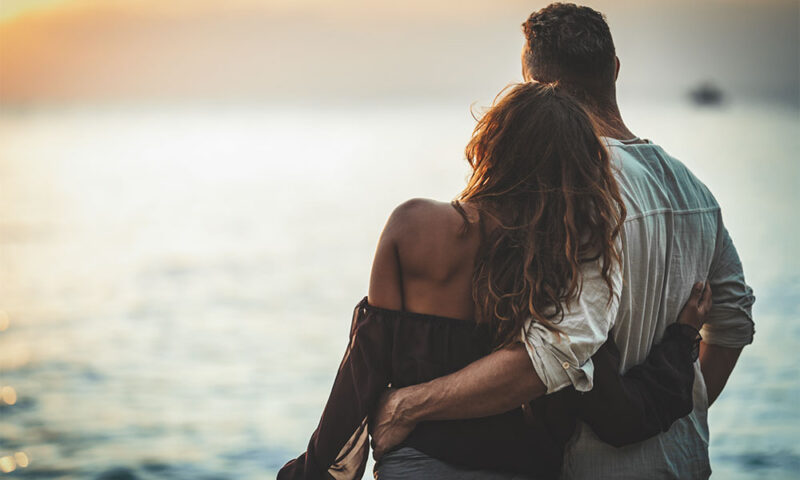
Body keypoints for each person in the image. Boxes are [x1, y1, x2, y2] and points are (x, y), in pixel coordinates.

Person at [370, 3, 755, 479]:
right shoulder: (696, 192)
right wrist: (669, 414)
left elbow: (546, 351)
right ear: (614, 69)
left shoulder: (563, 189)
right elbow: (734, 324)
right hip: (683, 462)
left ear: (531, 87)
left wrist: (409, 406)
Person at [278, 82, 711, 480]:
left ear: (489, 145)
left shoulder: (414, 226)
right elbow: (622, 417)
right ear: (578, 175)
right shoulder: (565, 272)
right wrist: (683, 339)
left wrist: (313, 470)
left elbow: (362, 374)